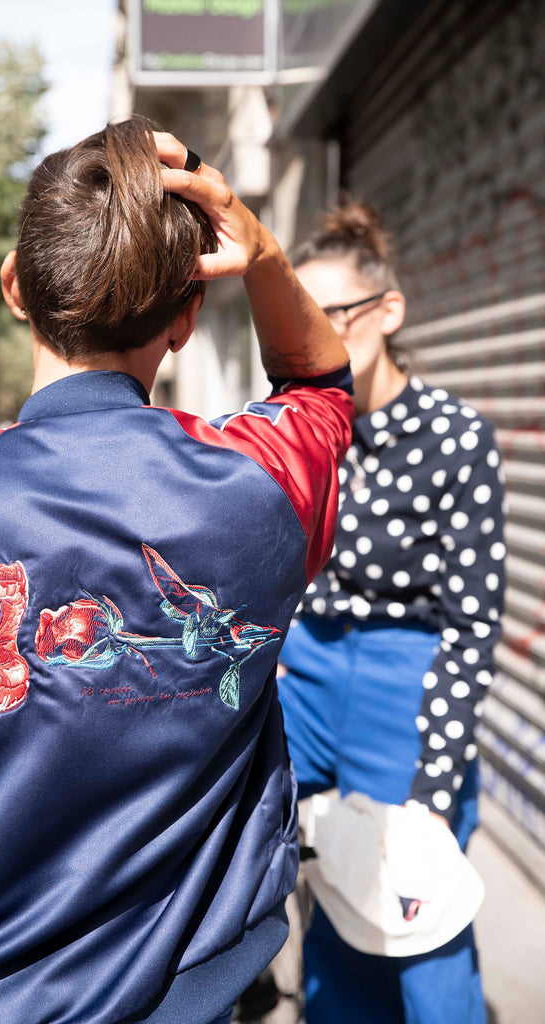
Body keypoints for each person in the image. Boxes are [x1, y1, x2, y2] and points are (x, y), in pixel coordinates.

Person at [0, 119, 354, 1024]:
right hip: (187, 988)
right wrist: (260, 248)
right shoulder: (262, 488)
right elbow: (321, 383)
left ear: (16, 286)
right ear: (186, 316)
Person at [276, 198, 505, 1024]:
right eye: (296, 316)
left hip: (402, 687)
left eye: (328, 313)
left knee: (419, 920)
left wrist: (436, 778)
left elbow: (473, 620)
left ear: (388, 310)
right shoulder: (300, 428)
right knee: (328, 913)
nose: (311, 335)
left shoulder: (454, 434)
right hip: (303, 673)